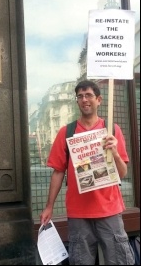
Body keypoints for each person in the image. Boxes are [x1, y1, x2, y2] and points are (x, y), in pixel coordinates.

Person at [40, 80, 134, 265]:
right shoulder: (66, 132)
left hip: (109, 210)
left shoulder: (112, 130)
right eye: (80, 96)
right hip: (78, 213)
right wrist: (49, 206)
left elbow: (122, 173)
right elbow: (58, 172)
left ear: (99, 100)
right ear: (77, 102)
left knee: (119, 261)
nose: (84, 100)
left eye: (89, 95)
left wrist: (114, 152)